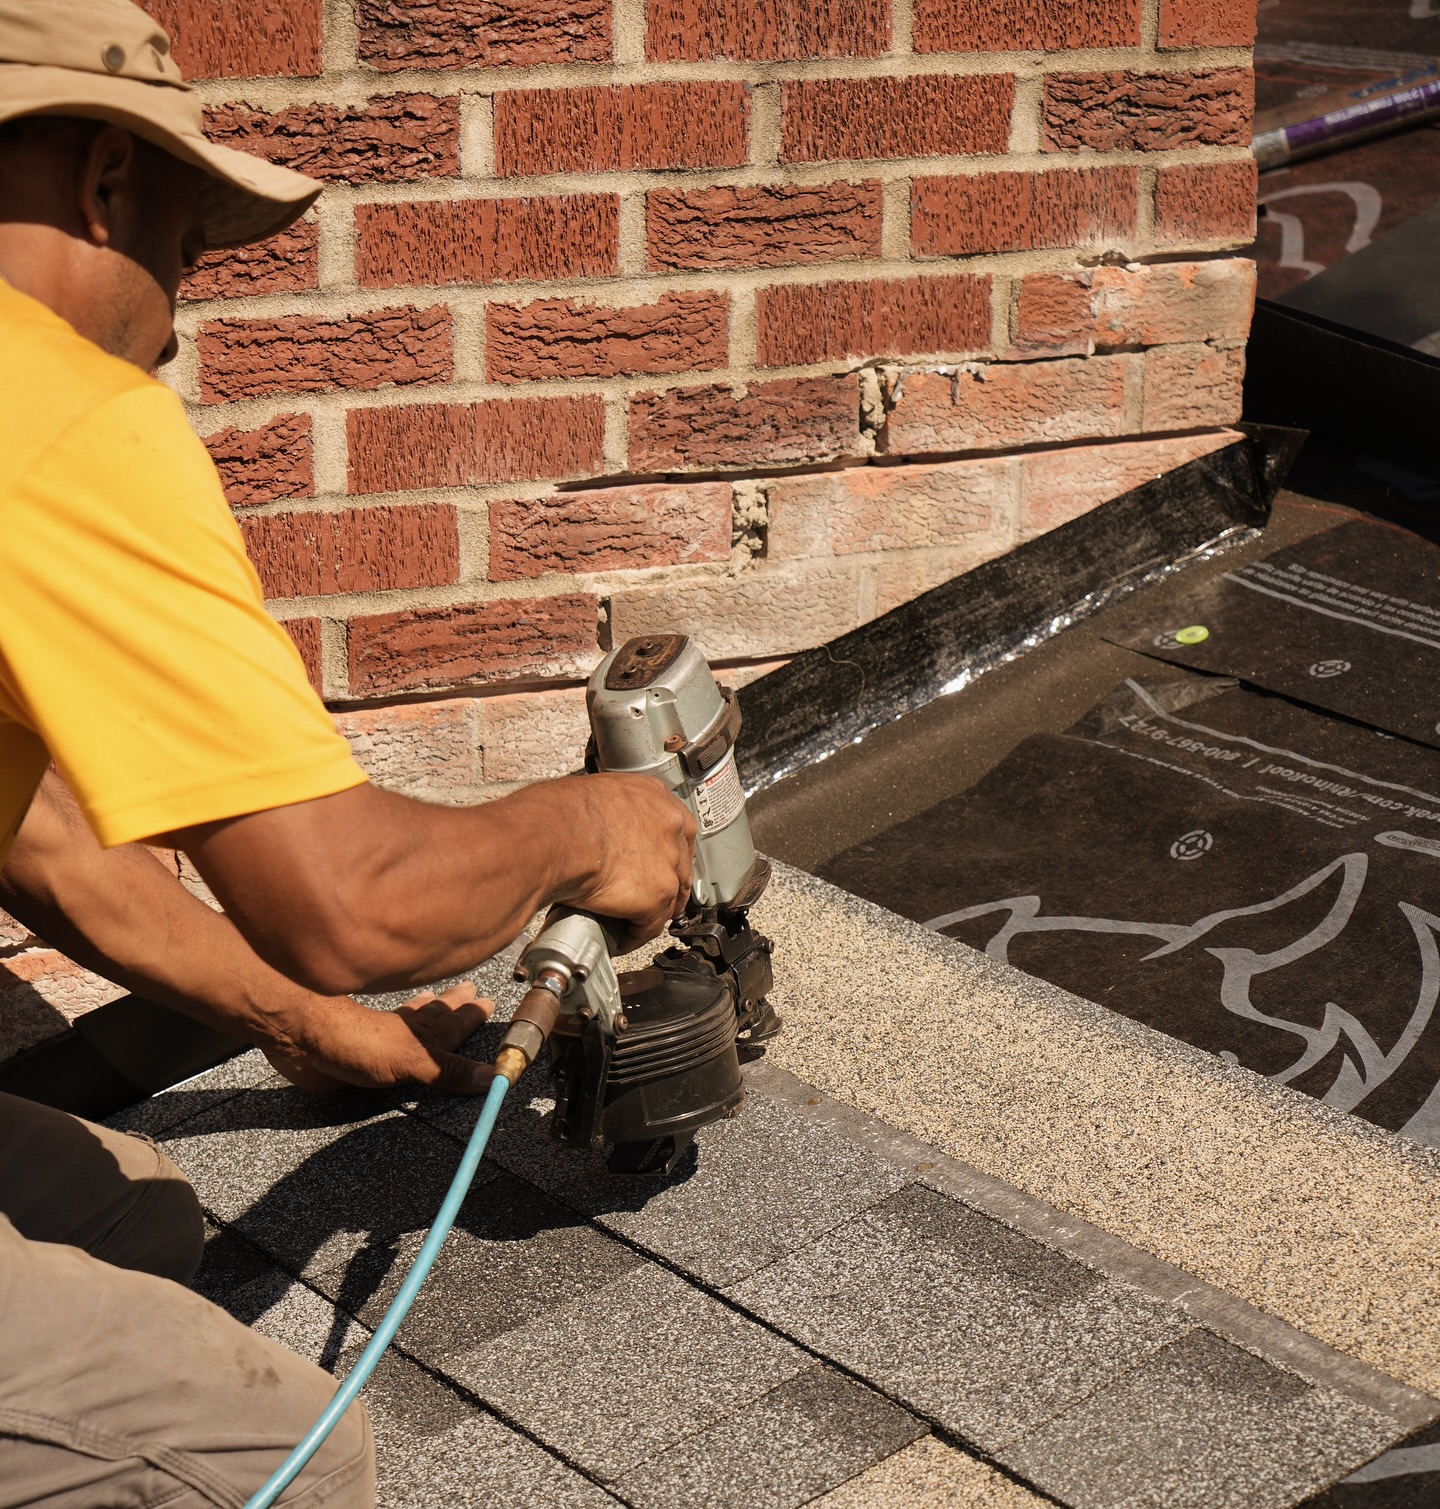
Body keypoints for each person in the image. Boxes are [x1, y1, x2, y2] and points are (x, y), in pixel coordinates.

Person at [0, 1, 696, 1503]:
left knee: (128, 1223)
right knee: (277, 1454)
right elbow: (349, 901)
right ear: (105, 180)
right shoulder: (47, 408)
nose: (179, 319)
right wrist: (594, 826)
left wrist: (288, 1019)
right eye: (185, 248)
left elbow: (38, 838)